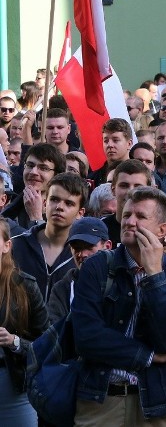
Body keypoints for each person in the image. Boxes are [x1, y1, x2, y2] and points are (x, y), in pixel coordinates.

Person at [71, 186, 166, 425]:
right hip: (102, 398)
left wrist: (155, 277)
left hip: (160, 403)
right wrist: (149, 356)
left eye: (140, 217)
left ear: (162, 230)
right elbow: (86, 337)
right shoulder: (96, 267)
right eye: (127, 215)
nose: (130, 221)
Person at [0, 219, 48, 426]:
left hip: (13, 382)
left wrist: (15, 342)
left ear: (6, 245)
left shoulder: (24, 286)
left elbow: (47, 343)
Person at [12, 172, 87, 302]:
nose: (59, 207)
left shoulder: (83, 254)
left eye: (69, 203)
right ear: (45, 203)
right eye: (54, 199)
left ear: (80, 213)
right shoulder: (16, 245)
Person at [46, 217, 112, 324]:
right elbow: (55, 333)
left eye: (89, 247)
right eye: (77, 248)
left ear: (107, 246)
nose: (82, 254)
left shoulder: (122, 282)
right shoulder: (62, 289)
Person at [3, 143, 65, 229]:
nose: (33, 172)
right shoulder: (10, 209)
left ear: (57, 175)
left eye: (43, 168)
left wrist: (36, 218)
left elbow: (46, 242)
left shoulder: (62, 212)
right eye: (30, 165)